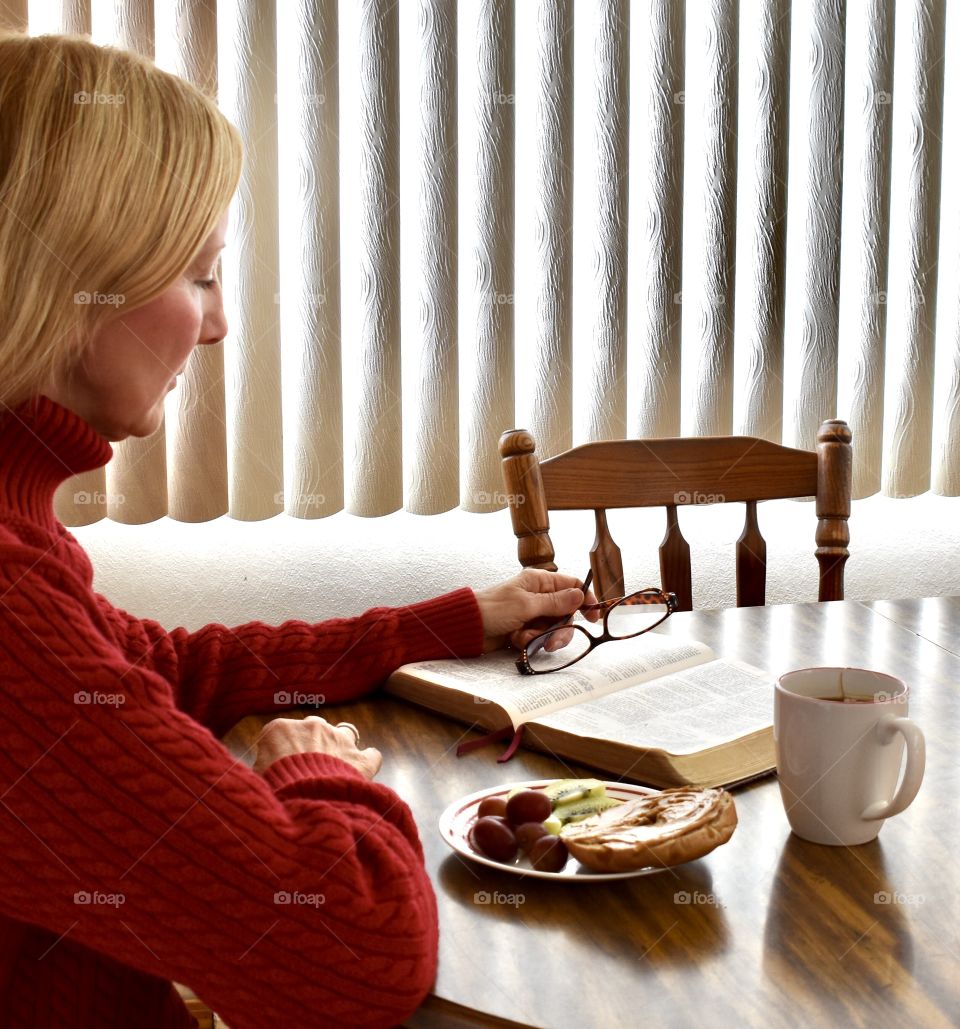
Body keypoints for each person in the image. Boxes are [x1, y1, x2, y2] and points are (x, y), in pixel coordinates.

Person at [0, 32, 591, 1029]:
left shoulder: (25, 540)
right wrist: (309, 770)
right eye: (199, 274)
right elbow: (355, 954)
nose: (220, 323)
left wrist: (438, 625)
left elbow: (158, 667)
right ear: (68, 283)